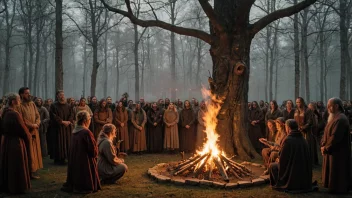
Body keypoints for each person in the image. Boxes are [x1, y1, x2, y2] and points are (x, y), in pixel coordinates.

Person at [61, 111, 101, 193]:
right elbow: (92, 149)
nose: (90, 121)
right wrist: (95, 153)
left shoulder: (74, 131)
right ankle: (84, 186)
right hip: (85, 161)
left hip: (75, 159)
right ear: (85, 121)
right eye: (89, 119)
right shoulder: (86, 132)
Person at [269, 119, 313, 192]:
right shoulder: (303, 139)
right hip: (303, 171)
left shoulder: (288, 140)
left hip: (292, 170)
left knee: (272, 166)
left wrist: (278, 159)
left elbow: (283, 159)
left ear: (288, 128)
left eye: (286, 127)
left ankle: (279, 183)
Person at [0, 93, 31, 194]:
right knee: (16, 165)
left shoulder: (5, 112)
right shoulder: (14, 114)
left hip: (7, 141)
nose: (20, 101)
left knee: (9, 164)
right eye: (18, 99)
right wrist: (28, 137)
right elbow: (22, 129)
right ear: (13, 101)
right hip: (15, 142)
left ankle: (8, 186)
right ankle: (17, 187)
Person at [321, 98, 351, 194]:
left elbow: (335, 137)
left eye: (330, 106)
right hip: (332, 150)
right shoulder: (334, 117)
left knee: (338, 169)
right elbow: (326, 132)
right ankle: (333, 187)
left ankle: (339, 188)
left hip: (338, 151)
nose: (328, 108)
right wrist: (323, 143)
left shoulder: (340, 119)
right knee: (332, 169)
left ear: (336, 106)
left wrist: (326, 147)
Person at [17, 87, 42, 179]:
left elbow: (37, 115)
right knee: (29, 152)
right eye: (27, 93)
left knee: (35, 151)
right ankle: (28, 171)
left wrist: (37, 123)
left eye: (29, 93)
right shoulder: (19, 106)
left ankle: (34, 170)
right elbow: (21, 119)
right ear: (21, 94)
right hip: (27, 131)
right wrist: (32, 125)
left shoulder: (32, 104)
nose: (29, 95)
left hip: (35, 130)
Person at [49, 90, 74, 165]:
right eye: (60, 95)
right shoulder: (54, 105)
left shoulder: (68, 105)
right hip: (58, 128)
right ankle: (58, 159)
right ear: (57, 96)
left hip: (67, 128)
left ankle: (65, 157)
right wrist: (62, 122)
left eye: (63, 95)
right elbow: (53, 116)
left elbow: (72, 114)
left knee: (66, 142)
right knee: (58, 142)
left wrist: (69, 121)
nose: (62, 96)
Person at [294, 97, 318, 165]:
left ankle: (309, 162)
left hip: (307, 132)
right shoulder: (296, 110)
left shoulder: (308, 110)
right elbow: (295, 120)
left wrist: (303, 127)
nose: (298, 104)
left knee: (307, 146)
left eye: (299, 102)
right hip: (298, 131)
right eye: (297, 102)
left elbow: (310, 121)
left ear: (302, 102)